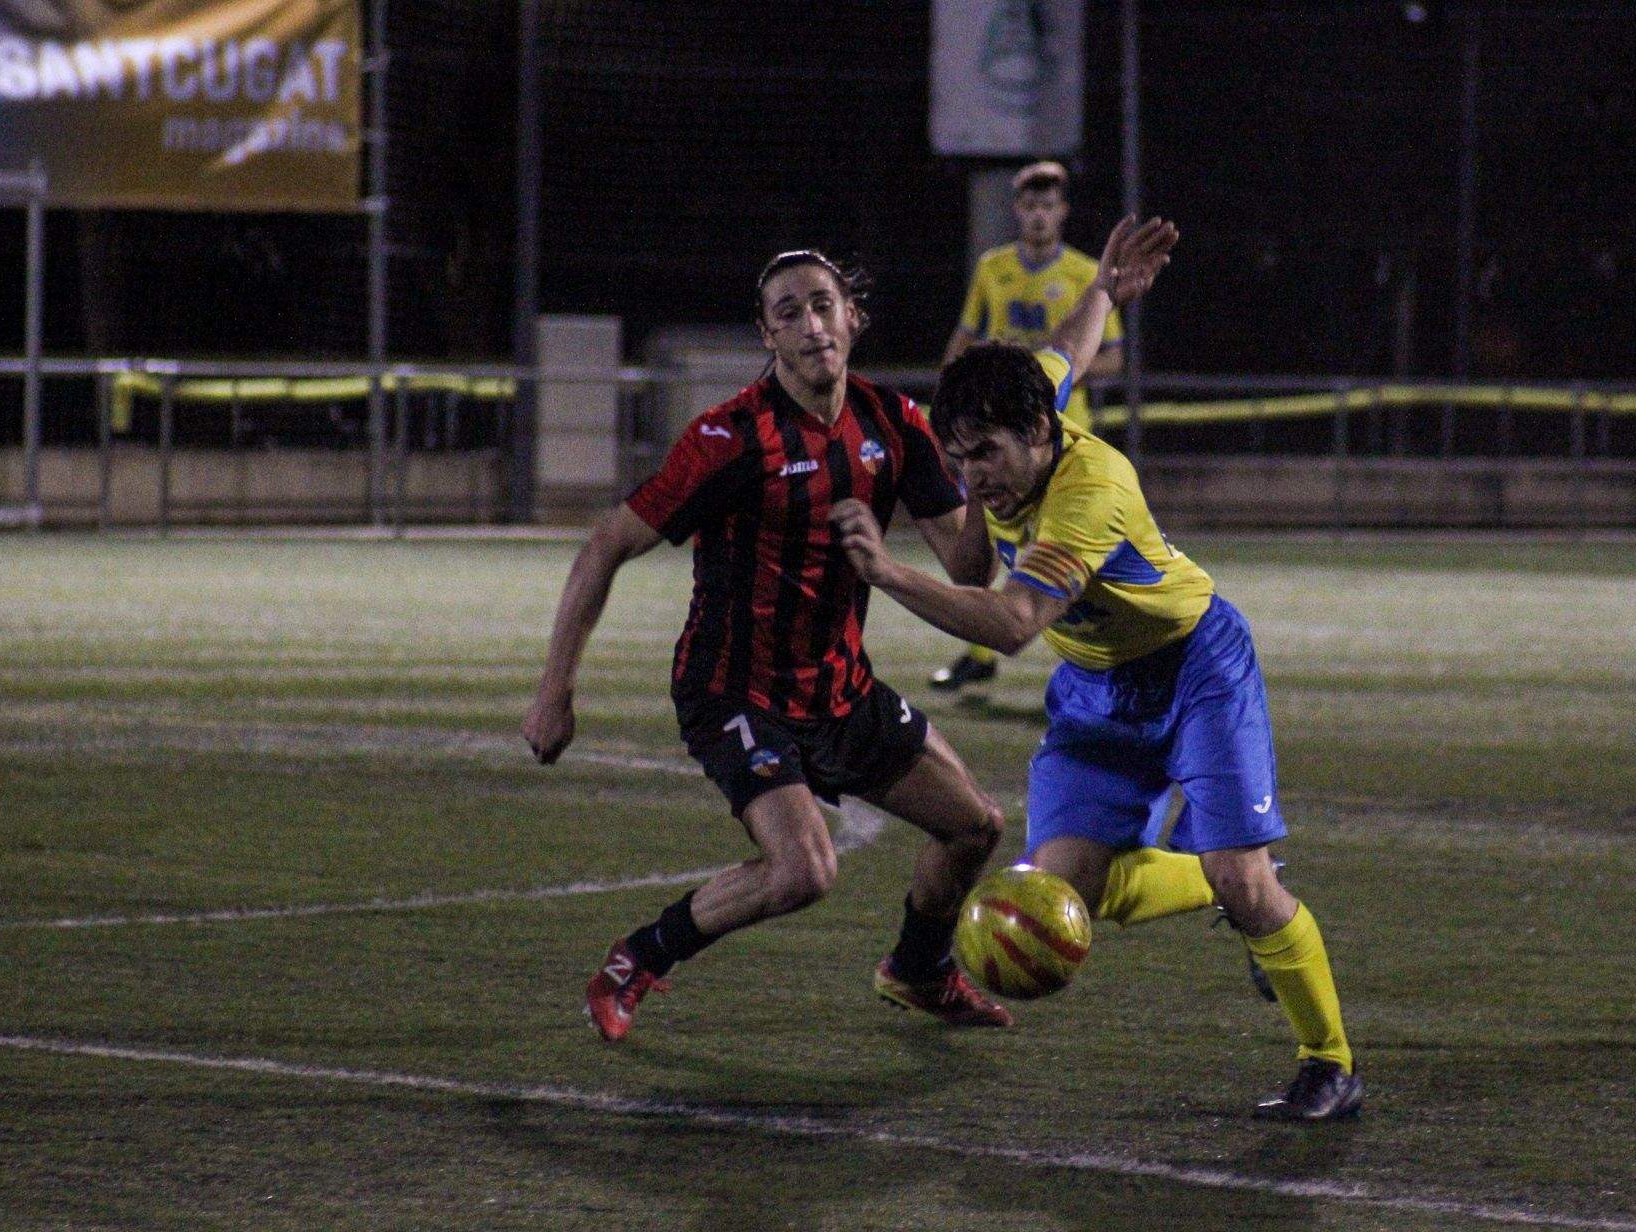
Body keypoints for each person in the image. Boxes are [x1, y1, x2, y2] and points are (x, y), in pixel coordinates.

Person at [830, 215, 1363, 1121]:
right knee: (1067, 889)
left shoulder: (1091, 490)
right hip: (1095, 689)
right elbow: (1065, 351)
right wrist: (1105, 292)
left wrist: (888, 572)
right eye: (959, 459)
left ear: (1040, 431)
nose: (973, 476)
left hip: (1195, 669)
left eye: (986, 456)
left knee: (1246, 885)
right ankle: (1232, 880)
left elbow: (1011, 623)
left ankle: (1329, 1062)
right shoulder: (1024, 410)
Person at [523, 249, 1016, 1042]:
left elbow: (967, 570)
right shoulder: (730, 437)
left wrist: (984, 484)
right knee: (804, 870)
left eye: (823, 305)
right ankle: (638, 957)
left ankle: (919, 970)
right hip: (736, 690)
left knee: (976, 826)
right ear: (768, 335)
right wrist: (555, 691)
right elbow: (606, 544)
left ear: (852, 316)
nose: (811, 324)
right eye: (789, 313)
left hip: (840, 691)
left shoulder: (895, 423)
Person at [930, 161, 1124, 694]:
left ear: (1063, 212)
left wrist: (1041, 373)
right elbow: (965, 337)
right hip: (997, 437)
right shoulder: (993, 268)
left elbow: (1111, 357)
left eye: (1048, 205)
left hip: (1058, 435)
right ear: (1018, 210)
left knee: (1068, 547)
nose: (1039, 214)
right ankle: (979, 652)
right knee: (987, 538)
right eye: (1030, 205)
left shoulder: (1086, 272)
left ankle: (1096, 655)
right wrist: (948, 400)